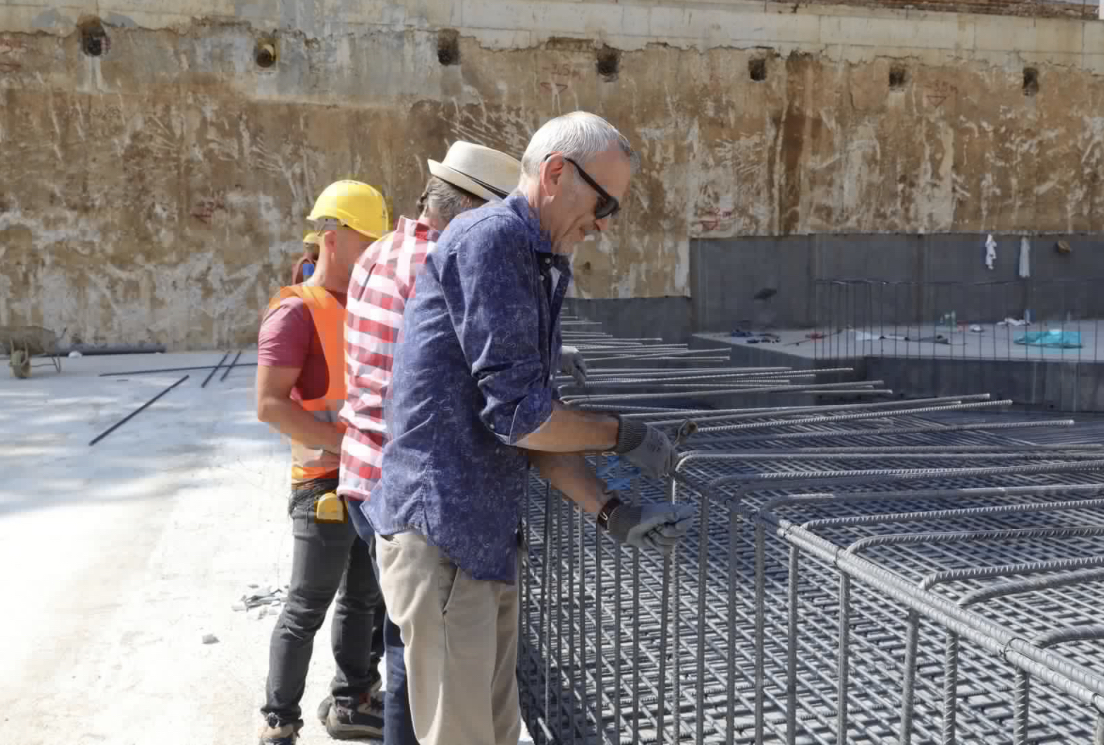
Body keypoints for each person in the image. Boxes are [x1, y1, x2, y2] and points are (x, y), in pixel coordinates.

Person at [366, 111, 697, 745]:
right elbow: (523, 418)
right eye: (604, 204)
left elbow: (534, 427)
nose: (604, 224)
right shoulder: (492, 240)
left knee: (495, 732)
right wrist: (622, 433)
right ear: (555, 174)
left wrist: (612, 511)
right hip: (444, 540)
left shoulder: (539, 259)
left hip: (484, 541)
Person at [339, 140, 523, 745]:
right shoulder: (441, 262)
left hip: (361, 469)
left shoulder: (379, 252)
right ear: (473, 212)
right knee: (414, 660)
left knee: (405, 641)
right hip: (408, 487)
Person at [254, 180, 392, 745]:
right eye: (367, 242)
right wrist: (342, 443)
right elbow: (269, 405)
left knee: (363, 599)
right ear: (332, 238)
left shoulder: (363, 305)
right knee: (307, 605)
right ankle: (279, 718)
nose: (376, 255)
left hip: (366, 477)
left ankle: (352, 701)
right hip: (322, 484)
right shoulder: (295, 311)